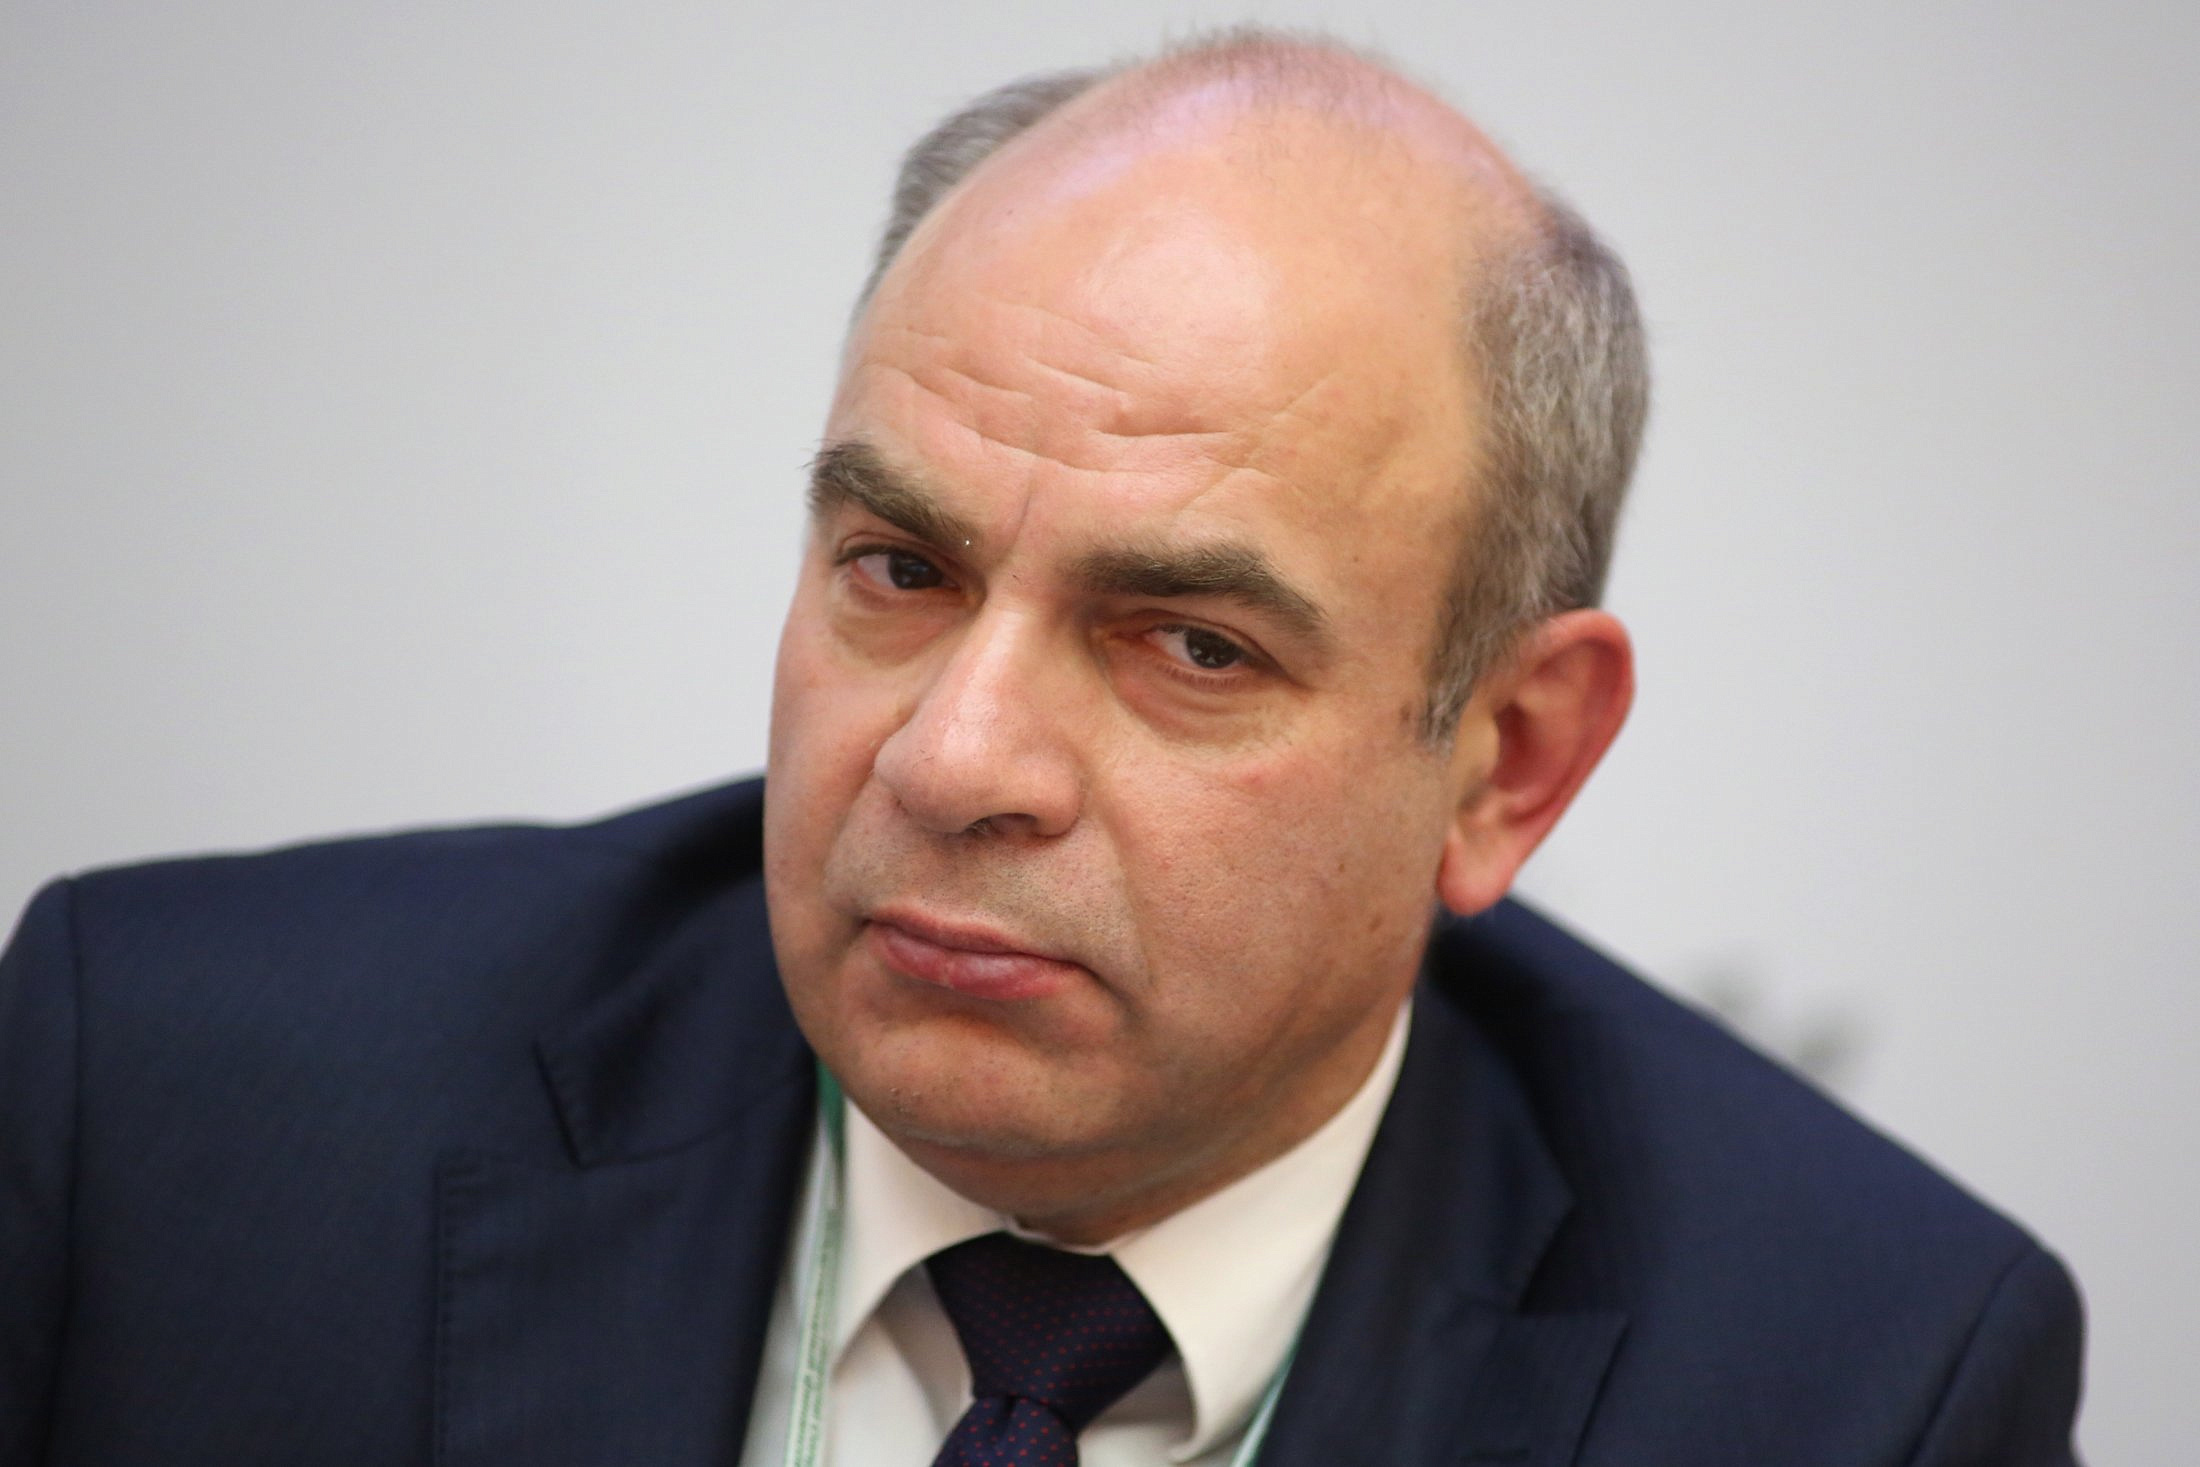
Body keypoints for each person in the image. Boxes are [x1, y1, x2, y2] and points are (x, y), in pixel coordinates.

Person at [0, 29, 2083, 1467]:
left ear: (1505, 761)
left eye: (1189, 643)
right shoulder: (174, 1113)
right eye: (898, 568)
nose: (952, 760)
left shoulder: (1855, 1381)